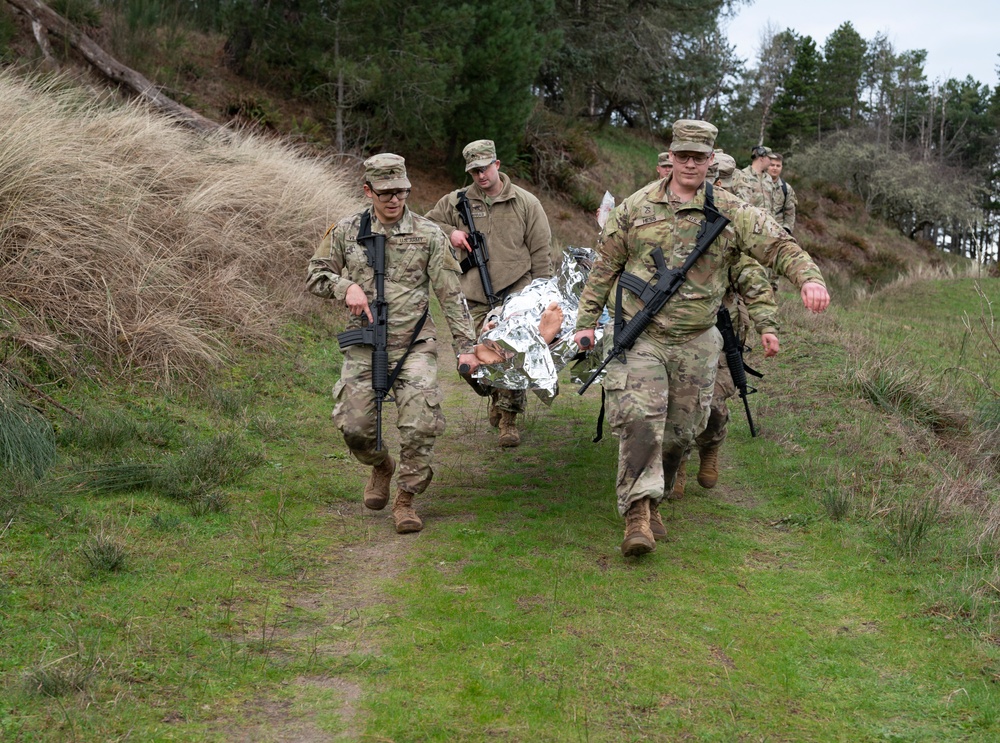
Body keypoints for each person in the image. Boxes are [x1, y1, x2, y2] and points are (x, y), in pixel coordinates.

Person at [572, 120, 830, 557]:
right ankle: (637, 513)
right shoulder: (637, 206)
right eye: (682, 155)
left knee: (679, 433)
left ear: (711, 161)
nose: (690, 163)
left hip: (696, 339)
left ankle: (657, 496)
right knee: (639, 420)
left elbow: (779, 245)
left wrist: (809, 278)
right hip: (642, 336)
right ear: (670, 157)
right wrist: (585, 320)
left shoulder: (732, 211)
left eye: (699, 157)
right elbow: (604, 265)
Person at [307, 153, 480, 535]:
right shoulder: (346, 231)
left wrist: (466, 347)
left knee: (420, 424)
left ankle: (406, 498)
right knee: (354, 428)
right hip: (365, 342)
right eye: (385, 192)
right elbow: (315, 275)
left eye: (401, 191)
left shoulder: (428, 234)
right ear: (368, 190)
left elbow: (451, 295)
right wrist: (345, 286)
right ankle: (381, 466)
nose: (394, 199)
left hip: (415, 343)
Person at [426, 139, 553, 448]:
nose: (481, 177)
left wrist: (543, 295)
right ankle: (494, 394)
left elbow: (540, 250)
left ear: (497, 165)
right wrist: (451, 232)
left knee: (509, 354)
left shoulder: (525, 202)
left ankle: (509, 420)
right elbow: (426, 223)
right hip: (472, 294)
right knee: (471, 362)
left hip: (516, 292)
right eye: (474, 172)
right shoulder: (457, 201)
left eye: (485, 169)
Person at [768, 153, 797, 235]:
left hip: (777, 232)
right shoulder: (758, 185)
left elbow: (790, 213)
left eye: (778, 166)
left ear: (781, 167)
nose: (775, 168)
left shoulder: (786, 188)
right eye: (772, 165)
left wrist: (786, 230)